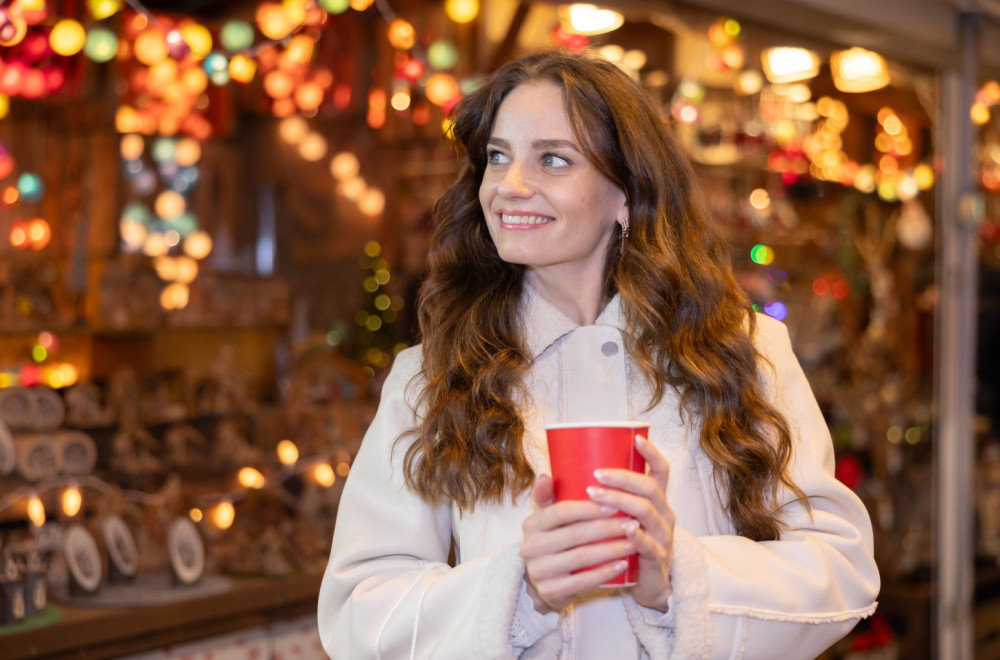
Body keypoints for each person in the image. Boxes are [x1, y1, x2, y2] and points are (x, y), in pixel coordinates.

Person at [318, 50, 879, 659]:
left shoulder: (745, 352)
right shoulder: (428, 378)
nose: (509, 186)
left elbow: (838, 569)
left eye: (553, 159)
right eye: (498, 157)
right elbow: (359, 609)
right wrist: (520, 588)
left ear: (627, 196)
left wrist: (676, 574)